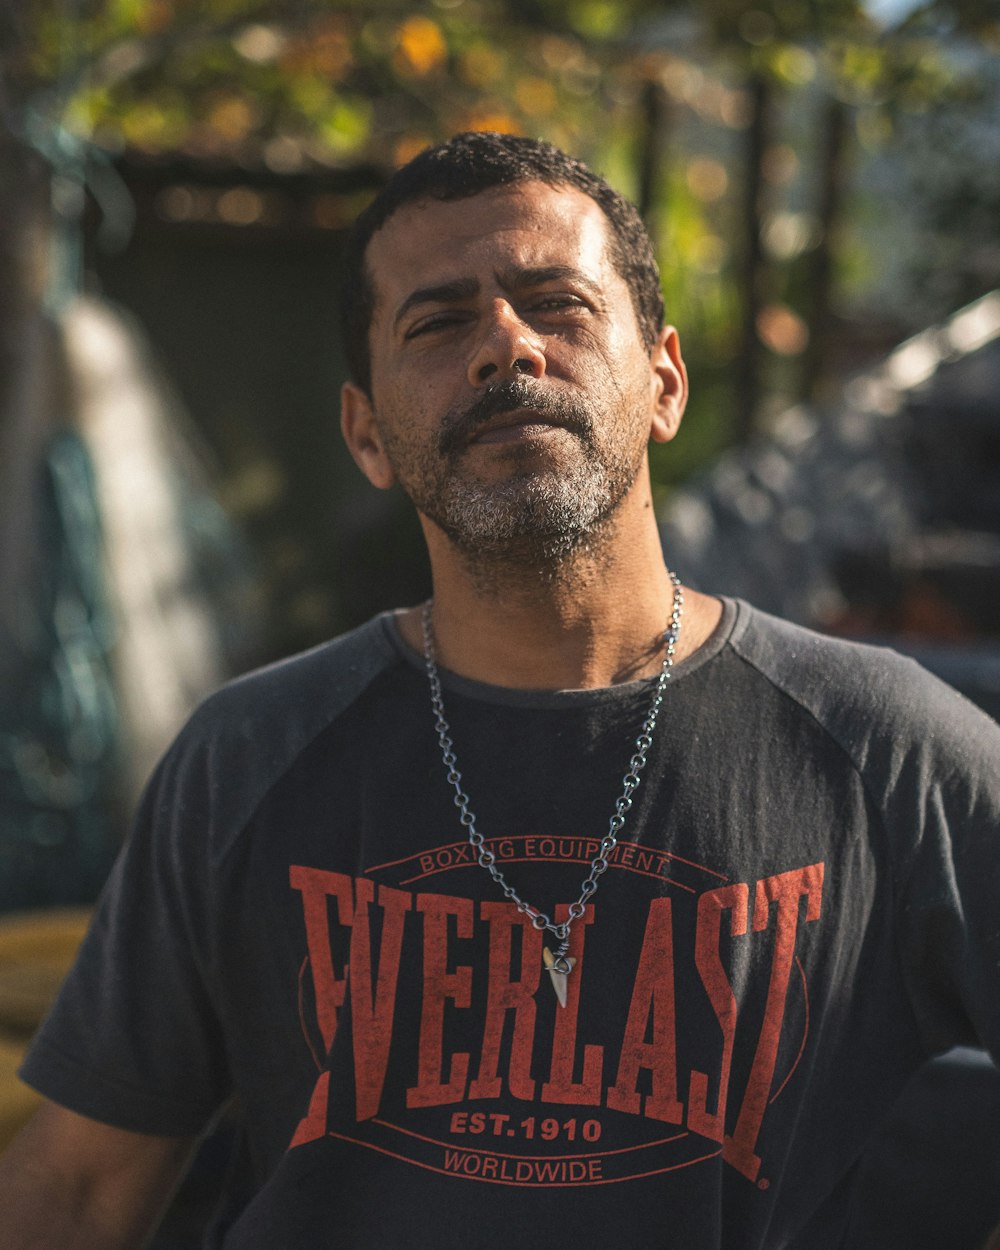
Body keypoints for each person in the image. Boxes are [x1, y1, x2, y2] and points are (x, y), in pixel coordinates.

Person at [1, 130, 999, 1249]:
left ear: (661, 380)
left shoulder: (886, 748)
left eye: (556, 303)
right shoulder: (248, 753)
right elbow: (84, 1187)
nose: (504, 347)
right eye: (437, 323)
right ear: (367, 433)